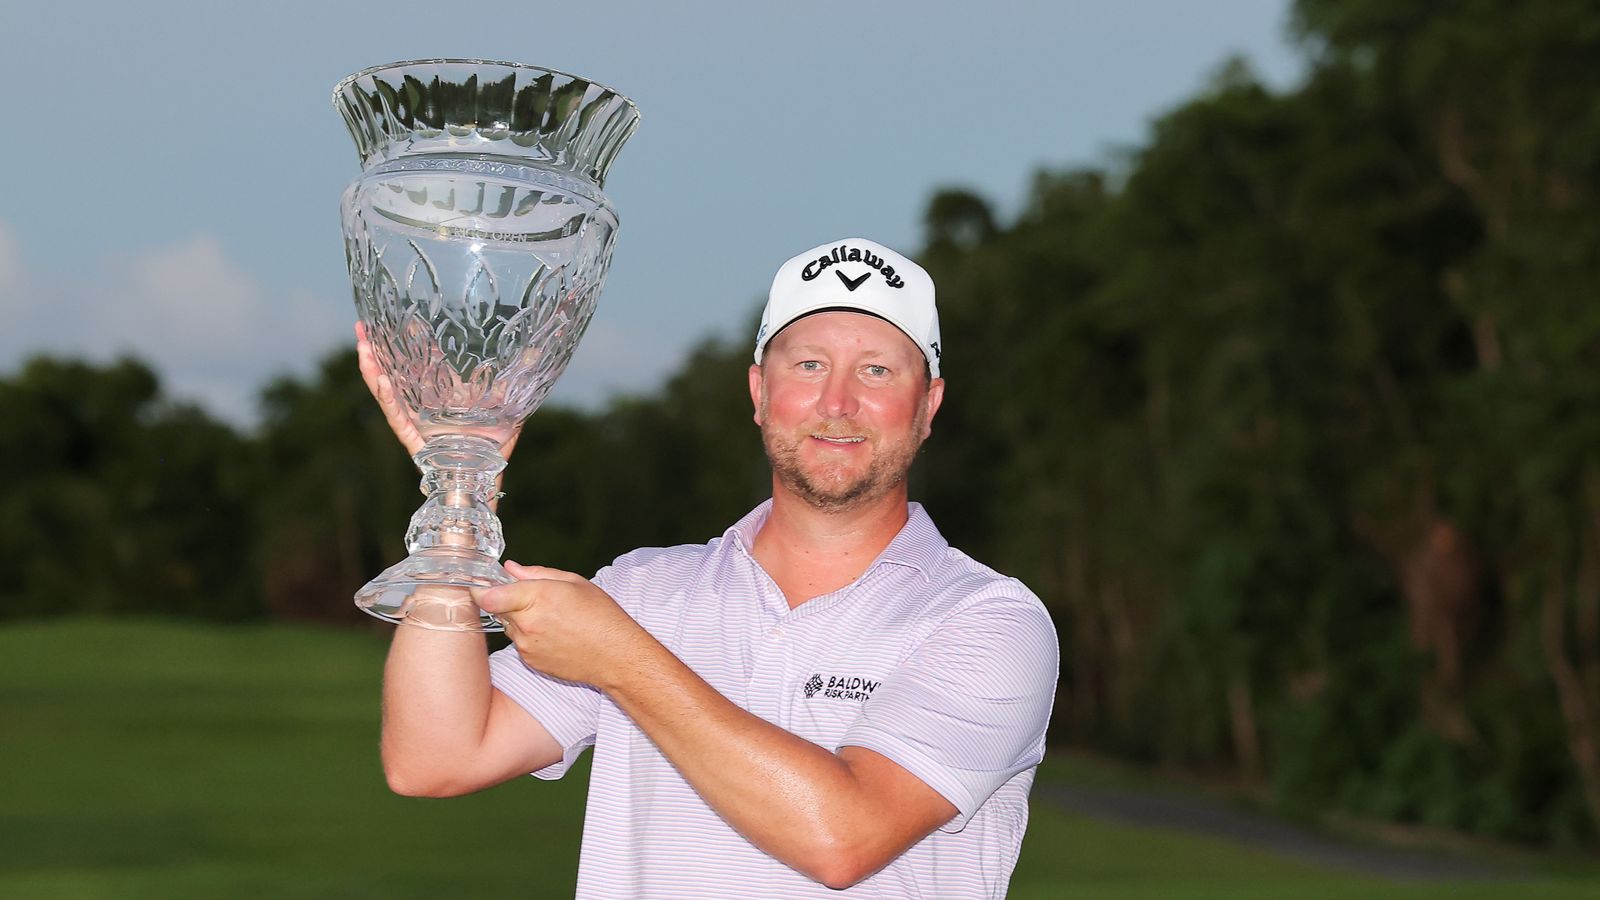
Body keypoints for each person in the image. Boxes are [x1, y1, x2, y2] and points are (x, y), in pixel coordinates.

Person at [360, 237, 1059, 898]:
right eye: (808, 365)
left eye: (876, 370)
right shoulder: (643, 592)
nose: (837, 402)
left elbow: (843, 837)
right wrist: (461, 485)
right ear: (759, 392)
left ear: (928, 404)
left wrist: (621, 661)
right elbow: (435, 756)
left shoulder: (991, 620)